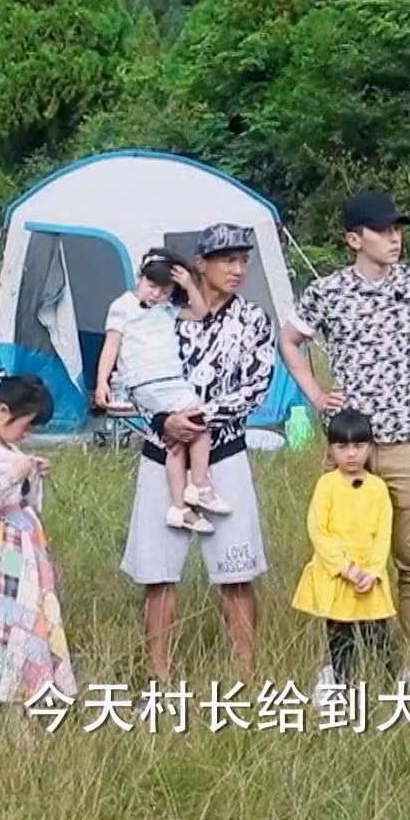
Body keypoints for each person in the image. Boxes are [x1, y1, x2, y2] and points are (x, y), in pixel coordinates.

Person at [280, 190, 410, 691]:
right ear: (354, 239)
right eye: (383, 231)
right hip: (349, 447)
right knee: (339, 555)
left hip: (405, 442)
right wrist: (316, 393)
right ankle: (339, 665)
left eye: (397, 230)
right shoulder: (328, 291)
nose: (394, 239)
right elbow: (290, 339)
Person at [119, 223, 276, 681]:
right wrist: (162, 421)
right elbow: (131, 373)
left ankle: (245, 675)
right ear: (200, 265)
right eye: (227, 260)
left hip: (223, 451)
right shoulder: (160, 313)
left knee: (237, 571)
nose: (237, 269)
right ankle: (160, 674)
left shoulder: (253, 319)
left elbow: (257, 386)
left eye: (243, 261)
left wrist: (201, 418)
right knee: (158, 573)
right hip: (162, 447)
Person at [0, 369, 76, 726]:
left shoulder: (9, 449)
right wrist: (13, 474)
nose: (28, 433)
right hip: (0, 552)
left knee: (29, 622)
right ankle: (8, 706)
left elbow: (27, 502)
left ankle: (28, 702)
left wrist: (33, 477)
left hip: (25, 549)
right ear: (3, 412)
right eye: (27, 424)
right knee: (6, 625)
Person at [96, 247, 230, 535]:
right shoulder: (123, 306)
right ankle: (200, 485)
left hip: (171, 381)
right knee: (201, 422)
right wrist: (102, 381)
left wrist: (189, 285)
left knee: (177, 441)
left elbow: (201, 313)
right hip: (148, 381)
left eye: (164, 290)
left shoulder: (167, 310)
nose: (156, 294)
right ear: (139, 278)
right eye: (151, 285)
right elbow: (111, 345)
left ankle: (180, 508)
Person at [292, 409, 395, 704]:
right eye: (342, 446)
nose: (351, 454)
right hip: (339, 577)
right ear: (330, 449)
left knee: (379, 640)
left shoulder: (378, 488)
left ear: (370, 448)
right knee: (341, 641)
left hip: (369, 579)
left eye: (359, 446)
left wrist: (373, 571)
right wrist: (345, 568)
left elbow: (383, 534)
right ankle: (343, 692)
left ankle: (387, 694)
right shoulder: (327, 485)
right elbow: (318, 530)